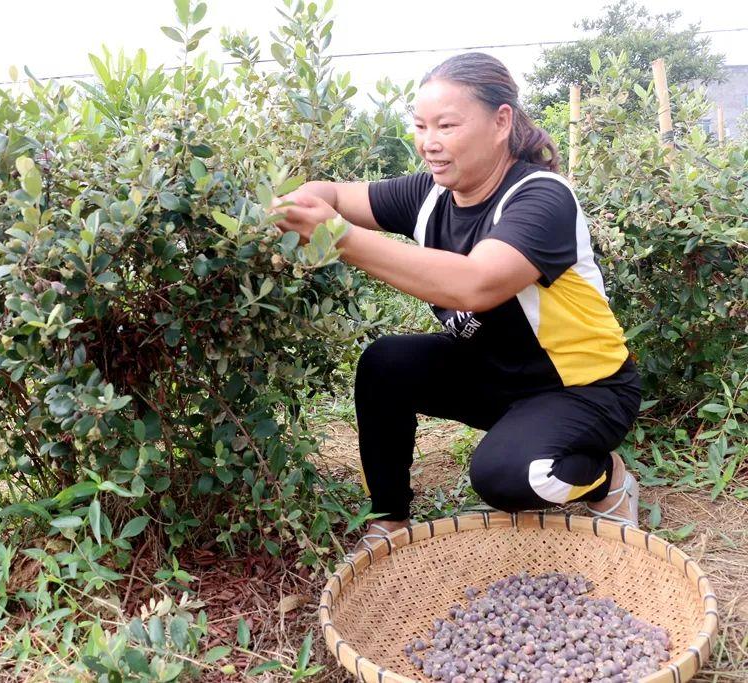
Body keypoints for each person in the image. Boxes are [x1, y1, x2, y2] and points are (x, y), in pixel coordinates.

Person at [271, 52, 643, 550]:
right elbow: (336, 194)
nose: (430, 143)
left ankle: (605, 478)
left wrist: (338, 237)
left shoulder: (541, 198)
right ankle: (389, 521)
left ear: (501, 122)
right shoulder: (427, 194)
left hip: (583, 388)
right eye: (421, 126)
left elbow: (476, 284)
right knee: (385, 363)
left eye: (447, 125)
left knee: (508, 479)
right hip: (494, 375)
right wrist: (299, 201)